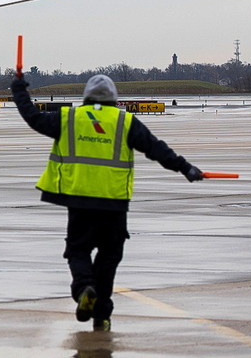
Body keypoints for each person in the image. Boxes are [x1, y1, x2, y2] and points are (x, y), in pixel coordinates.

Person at [11, 73, 203, 331]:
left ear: (86, 96)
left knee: (78, 251)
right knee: (109, 258)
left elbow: (32, 117)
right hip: (114, 203)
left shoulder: (69, 118)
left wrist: (19, 90)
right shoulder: (124, 121)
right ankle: (101, 314)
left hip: (80, 201)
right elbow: (156, 149)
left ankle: (83, 289)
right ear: (114, 98)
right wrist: (186, 168)